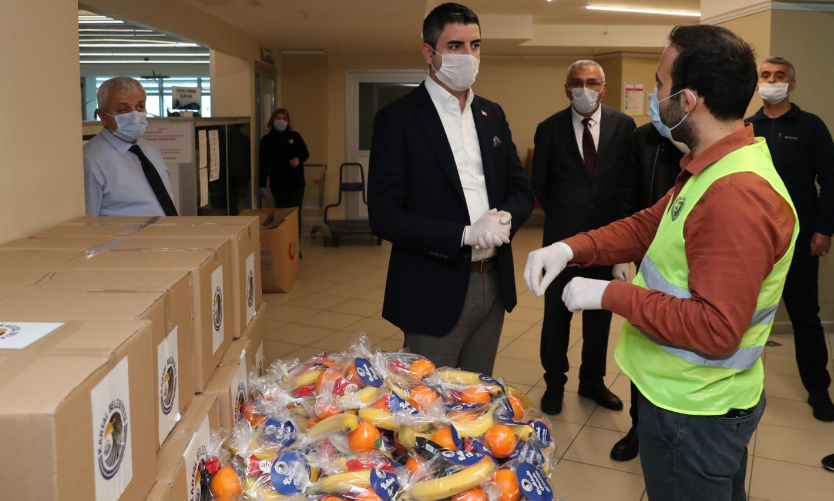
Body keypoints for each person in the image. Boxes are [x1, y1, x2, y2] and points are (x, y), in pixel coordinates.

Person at [525, 25, 797, 501]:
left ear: (688, 100)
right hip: (684, 396)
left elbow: (716, 329)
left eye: (660, 85)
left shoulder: (735, 195)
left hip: (694, 412)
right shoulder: (709, 165)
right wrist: (570, 249)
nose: (655, 97)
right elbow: (648, 225)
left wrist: (608, 294)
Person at [368, 3, 534, 375]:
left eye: (475, 45)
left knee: (476, 398)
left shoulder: (492, 114)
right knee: (429, 409)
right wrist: (464, 234)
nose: (468, 55)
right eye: (456, 46)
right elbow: (385, 216)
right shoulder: (398, 120)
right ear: (430, 52)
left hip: (493, 283)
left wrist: (505, 217)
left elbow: (521, 190)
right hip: (433, 286)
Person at [531, 60, 635, 415]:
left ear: (604, 88)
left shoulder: (624, 126)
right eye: (577, 82)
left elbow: (627, 186)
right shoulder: (548, 129)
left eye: (592, 82)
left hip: (607, 242)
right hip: (561, 241)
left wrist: (623, 250)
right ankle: (554, 383)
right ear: (566, 88)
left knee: (599, 317)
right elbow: (540, 188)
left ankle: (592, 381)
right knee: (557, 319)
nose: (584, 88)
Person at [745, 56, 834, 422]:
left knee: (805, 317)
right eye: (765, 76)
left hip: (799, 240)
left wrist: (824, 229)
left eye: (779, 76)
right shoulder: (746, 126)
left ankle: (819, 391)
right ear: (757, 83)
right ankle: (738, 388)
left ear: (791, 84)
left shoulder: (811, 126)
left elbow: (830, 181)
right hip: (752, 239)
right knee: (743, 316)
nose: (771, 81)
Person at [609, 118, 688, 462]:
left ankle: (680, 431)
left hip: (694, 258)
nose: (656, 95)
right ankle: (638, 428)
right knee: (645, 339)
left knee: (686, 346)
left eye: (661, 83)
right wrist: (621, 256)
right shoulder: (644, 138)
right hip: (650, 255)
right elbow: (626, 195)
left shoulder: (706, 140)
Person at [84, 77, 178, 217]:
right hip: (127, 238)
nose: (135, 115)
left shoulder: (150, 149)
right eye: (123, 109)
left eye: (140, 107)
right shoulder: (90, 159)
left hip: (168, 235)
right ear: (103, 116)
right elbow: (88, 222)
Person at [259, 108, 309, 236]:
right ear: (272, 121)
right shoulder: (267, 140)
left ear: (288, 121)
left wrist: (298, 159)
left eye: (284, 118)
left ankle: (295, 246)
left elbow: (305, 153)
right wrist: (262, 185)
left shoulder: (295, 136)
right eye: (278, 118)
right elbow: (263, 164)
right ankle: (284, 243)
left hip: (296, 183)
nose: (281, 121)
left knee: (295, 215)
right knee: (281, 215)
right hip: (278, 184)